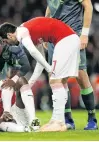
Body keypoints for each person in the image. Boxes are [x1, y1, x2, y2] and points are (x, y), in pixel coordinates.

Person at [0, 17, 81, 132]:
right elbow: (39, 61)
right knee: (61, 81)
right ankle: (57, 121)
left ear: (9, 35)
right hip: (70, 38)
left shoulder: (22, 32)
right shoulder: (30, 31)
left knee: (54, 81)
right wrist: (30, 84)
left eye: (6, 41)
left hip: (65, 40)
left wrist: (49, 68)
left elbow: (33, 52)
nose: (9, 44)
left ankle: (58, 121)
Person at [45, 0, 98, 130]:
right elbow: (50, 8)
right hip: (54, 37)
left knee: (80, 74)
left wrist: (84, 34)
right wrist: (45, 32)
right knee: (58, 78)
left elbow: (88, 6)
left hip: (72, 34)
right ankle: (67, 119)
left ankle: (92, 117)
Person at [0, 66, 40, 132]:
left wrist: (7, 112)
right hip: (4, 123)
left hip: (16, 113)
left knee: (21, 80)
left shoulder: (2, 84)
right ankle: (25, 129)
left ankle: (33, 120)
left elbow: (8, 85)